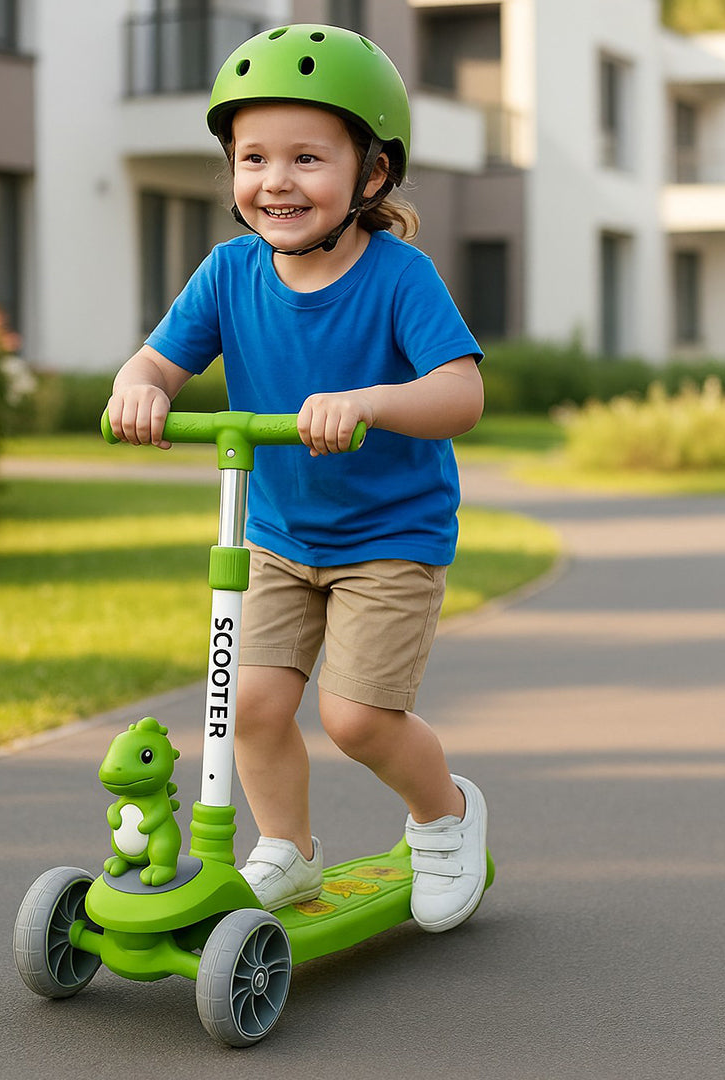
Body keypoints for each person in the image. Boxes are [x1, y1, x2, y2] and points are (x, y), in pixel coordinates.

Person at [107, 24, 488, 932]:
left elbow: (461, 393)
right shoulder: (229, 273)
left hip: (389, 537)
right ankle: (287, 847)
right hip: (276, 533)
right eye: (254, 158)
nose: (275, 181)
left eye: (308, 157)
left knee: (357, 719)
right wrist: (139, 390)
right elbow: (158, 363)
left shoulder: (401, 278)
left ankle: (447, 819)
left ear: (372, 174)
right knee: (252, 705)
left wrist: (371, 402)